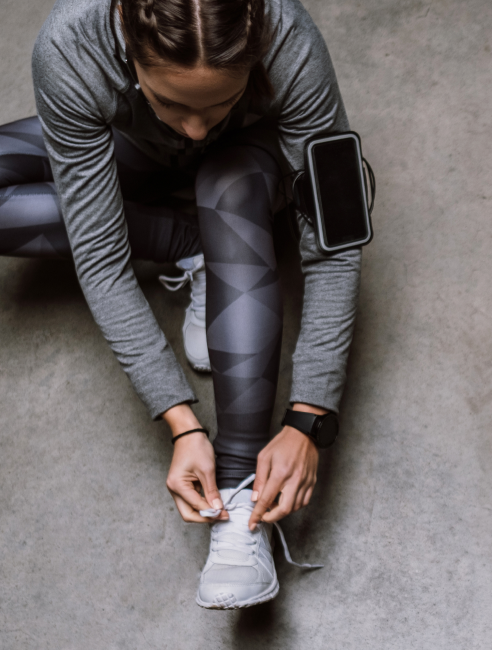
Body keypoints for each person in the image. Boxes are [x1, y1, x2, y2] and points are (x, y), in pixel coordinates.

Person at [0, 0, 360, 609]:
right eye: (171, 101)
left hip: (250, 167)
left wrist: (307, 418)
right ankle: (195, 245)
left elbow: (336, 246)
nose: (196, 127)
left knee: (225, 178)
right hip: (136, 150)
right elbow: (103, 259)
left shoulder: (287, 36)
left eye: (218, 102)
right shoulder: (71, 44)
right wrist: (180, 421)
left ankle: (240, 489)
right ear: (127, 44)